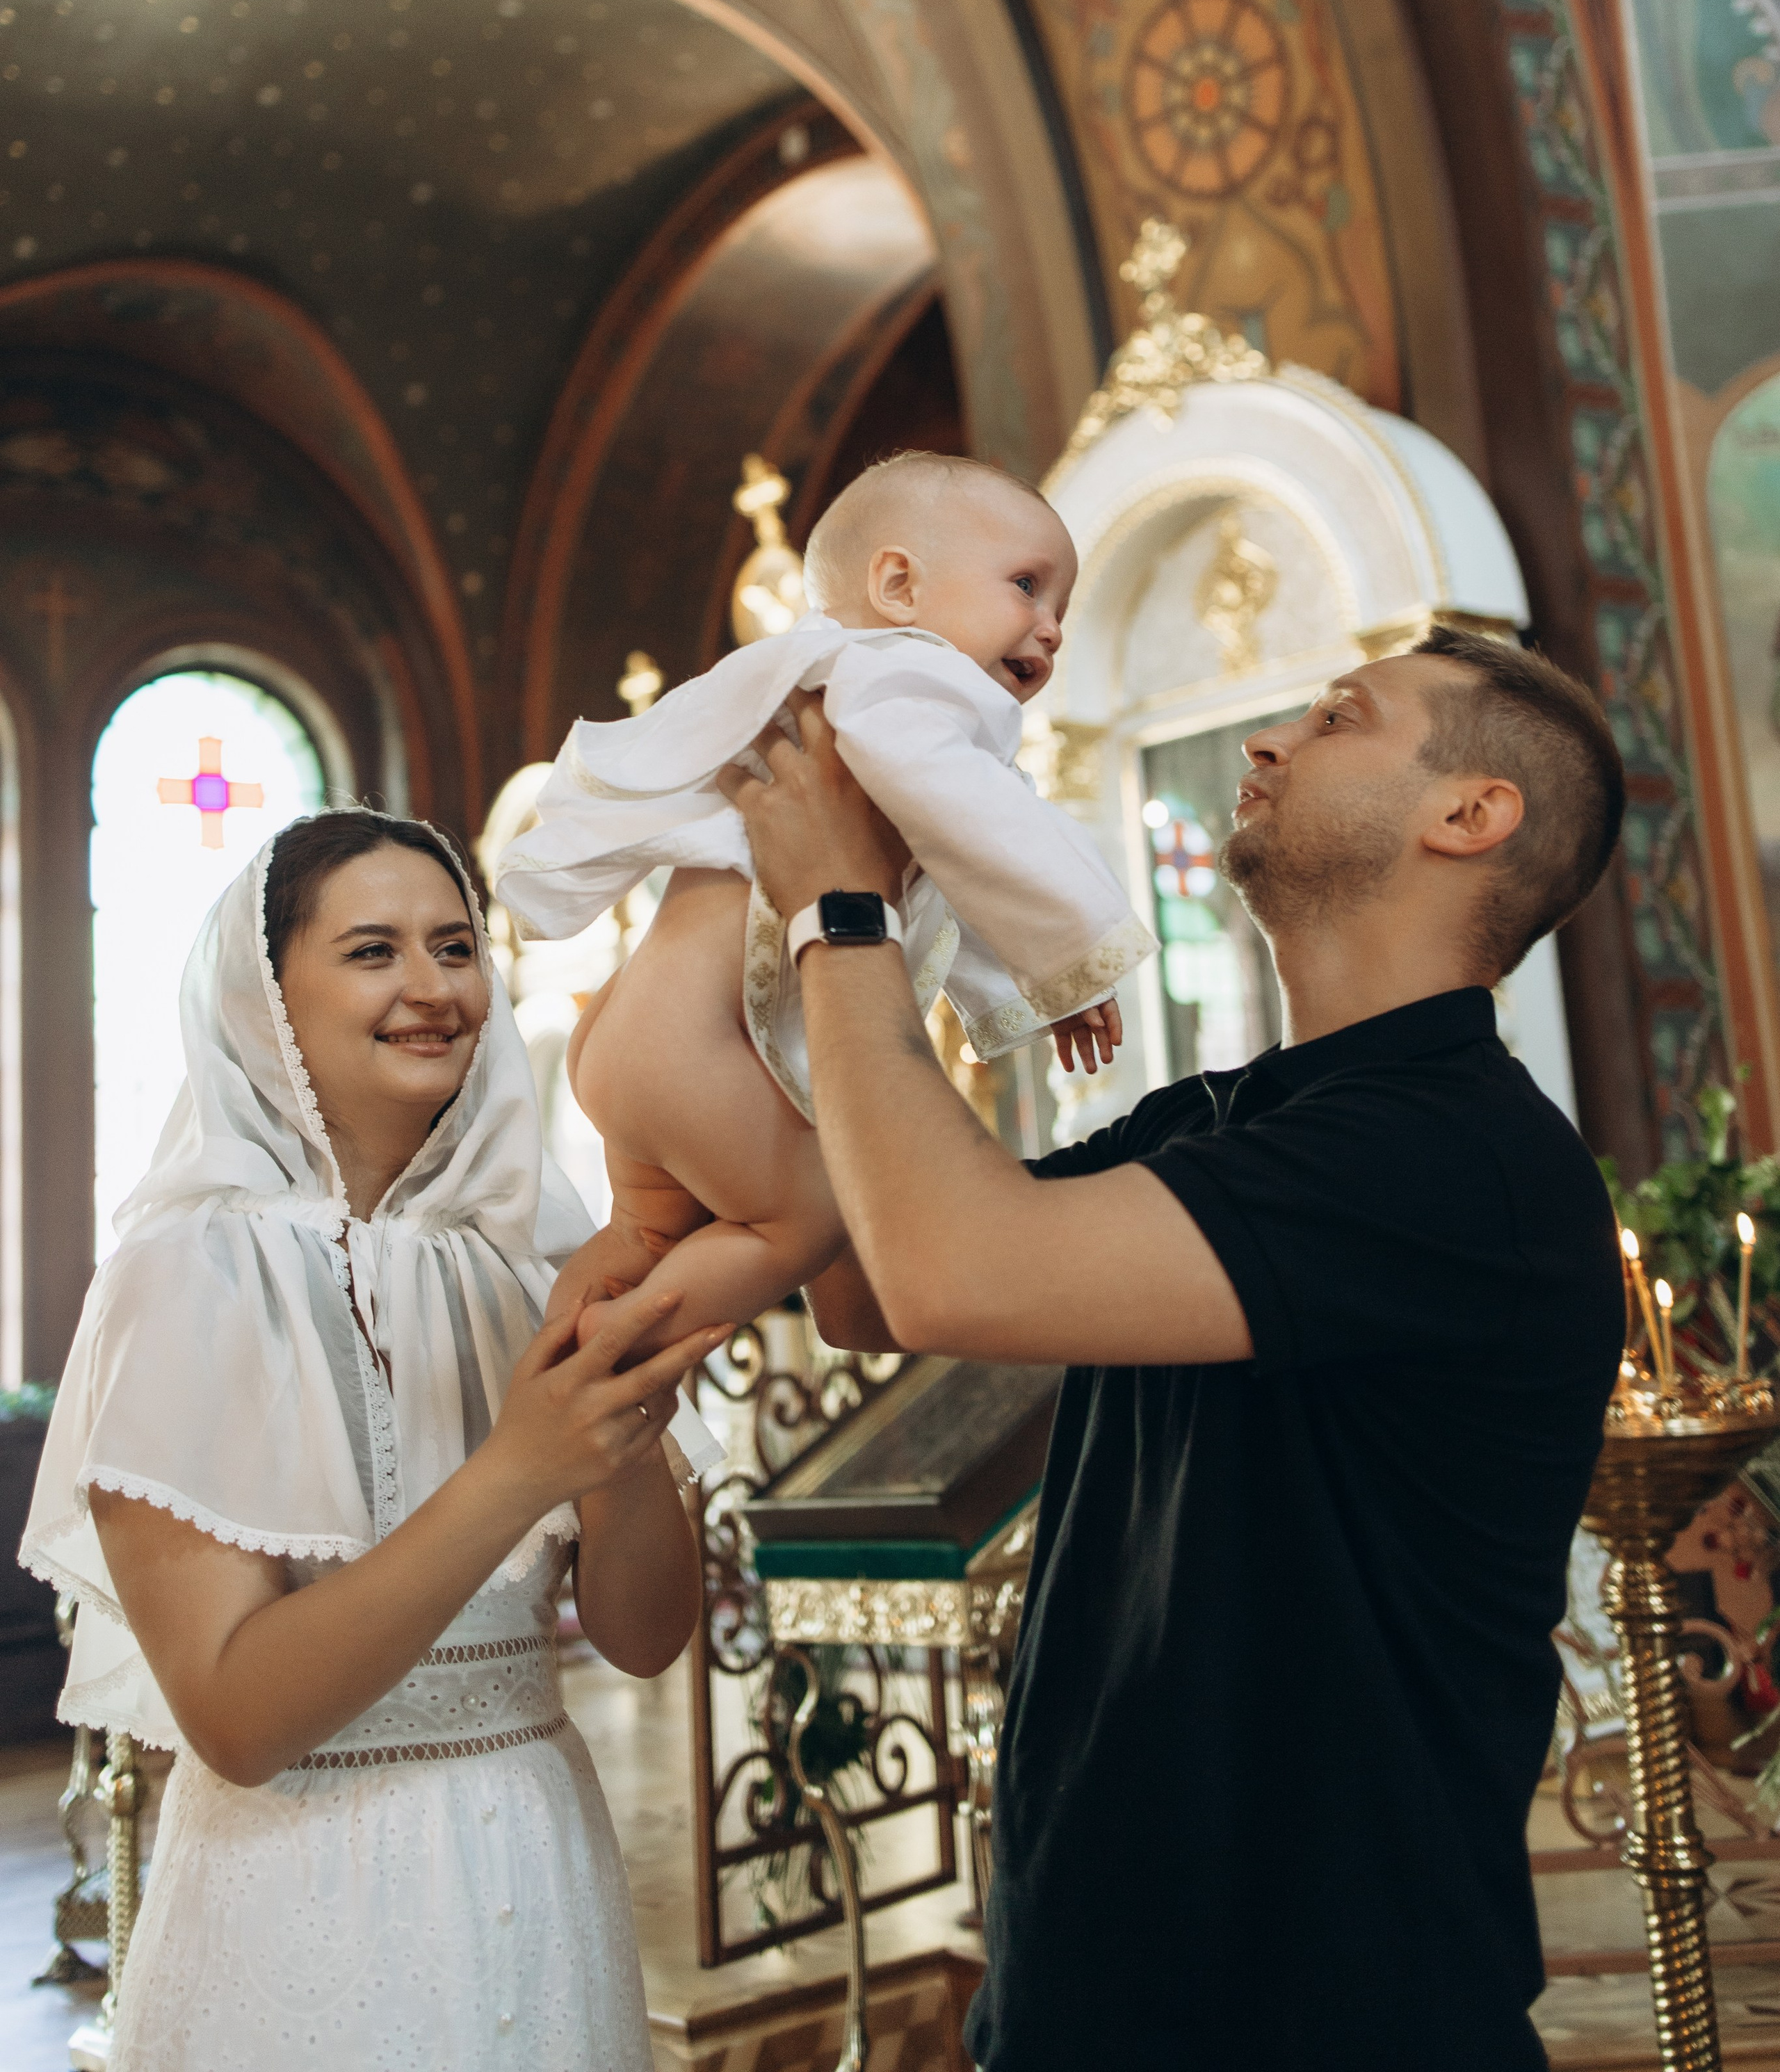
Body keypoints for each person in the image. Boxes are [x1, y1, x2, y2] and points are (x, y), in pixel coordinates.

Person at [708, 624, 1628, 2072]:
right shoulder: (1221, 1119)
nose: (1266, 743)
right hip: (1089, 1990)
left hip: (1322, 2018)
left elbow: (954, 1271)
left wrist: (843, 912)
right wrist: (774, 927)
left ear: (1470, 814)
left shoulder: (1458, 1162)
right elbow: (868, 1288)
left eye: (1338, 720)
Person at [22, 809, 729, 2072]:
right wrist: (520, 1468)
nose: (431, 988)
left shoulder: (526, 1263)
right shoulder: (186, 1275)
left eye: (456, 947)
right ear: (267, 992)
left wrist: (617, 1462)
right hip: (305, 1893)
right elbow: (238, 1721)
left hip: (538, 1853)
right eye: (372, 951)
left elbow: (644, 1636)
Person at [500, 453, 1154, 1343]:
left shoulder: (824, 677)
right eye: (1027, 587)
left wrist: (1043, 981)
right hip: (695, 1051)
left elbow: (958, 860)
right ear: (897, 585)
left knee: (645, 1241)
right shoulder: (904, 678)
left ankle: (552, 1373)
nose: (1050, 628)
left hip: (640, 1035)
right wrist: (1074, 961)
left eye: (1061, 608)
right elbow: (987, 827)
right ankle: (603, 1378)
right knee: (808, 1223)